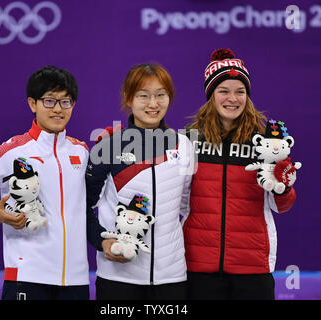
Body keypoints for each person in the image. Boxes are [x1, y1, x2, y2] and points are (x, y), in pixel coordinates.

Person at [0, 66, 91, 300]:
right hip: (27, 277)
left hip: (76, 279)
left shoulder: (81, 152)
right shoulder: (13, 149)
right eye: (49, 101)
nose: (58, 109)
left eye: (66, 101)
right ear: (33, 104)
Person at [183, 49, 297, 300]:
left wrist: (284, 185)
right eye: (223, 90)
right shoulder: (189, 140)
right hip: (198, 266)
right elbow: (176, 200)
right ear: (211, 95)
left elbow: (282, 205)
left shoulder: (266, 143)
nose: (232, 99)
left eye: (240, 91)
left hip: (253, 267)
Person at [86, 63, 194, 300]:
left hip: (172, 278)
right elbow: (80, 207)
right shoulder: (108, 147)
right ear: (128, 98)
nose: (153, 104)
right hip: (118, 278)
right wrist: (102, 242)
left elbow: (189, 208)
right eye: (143, 96)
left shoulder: (184, 146)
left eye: (160, 95)